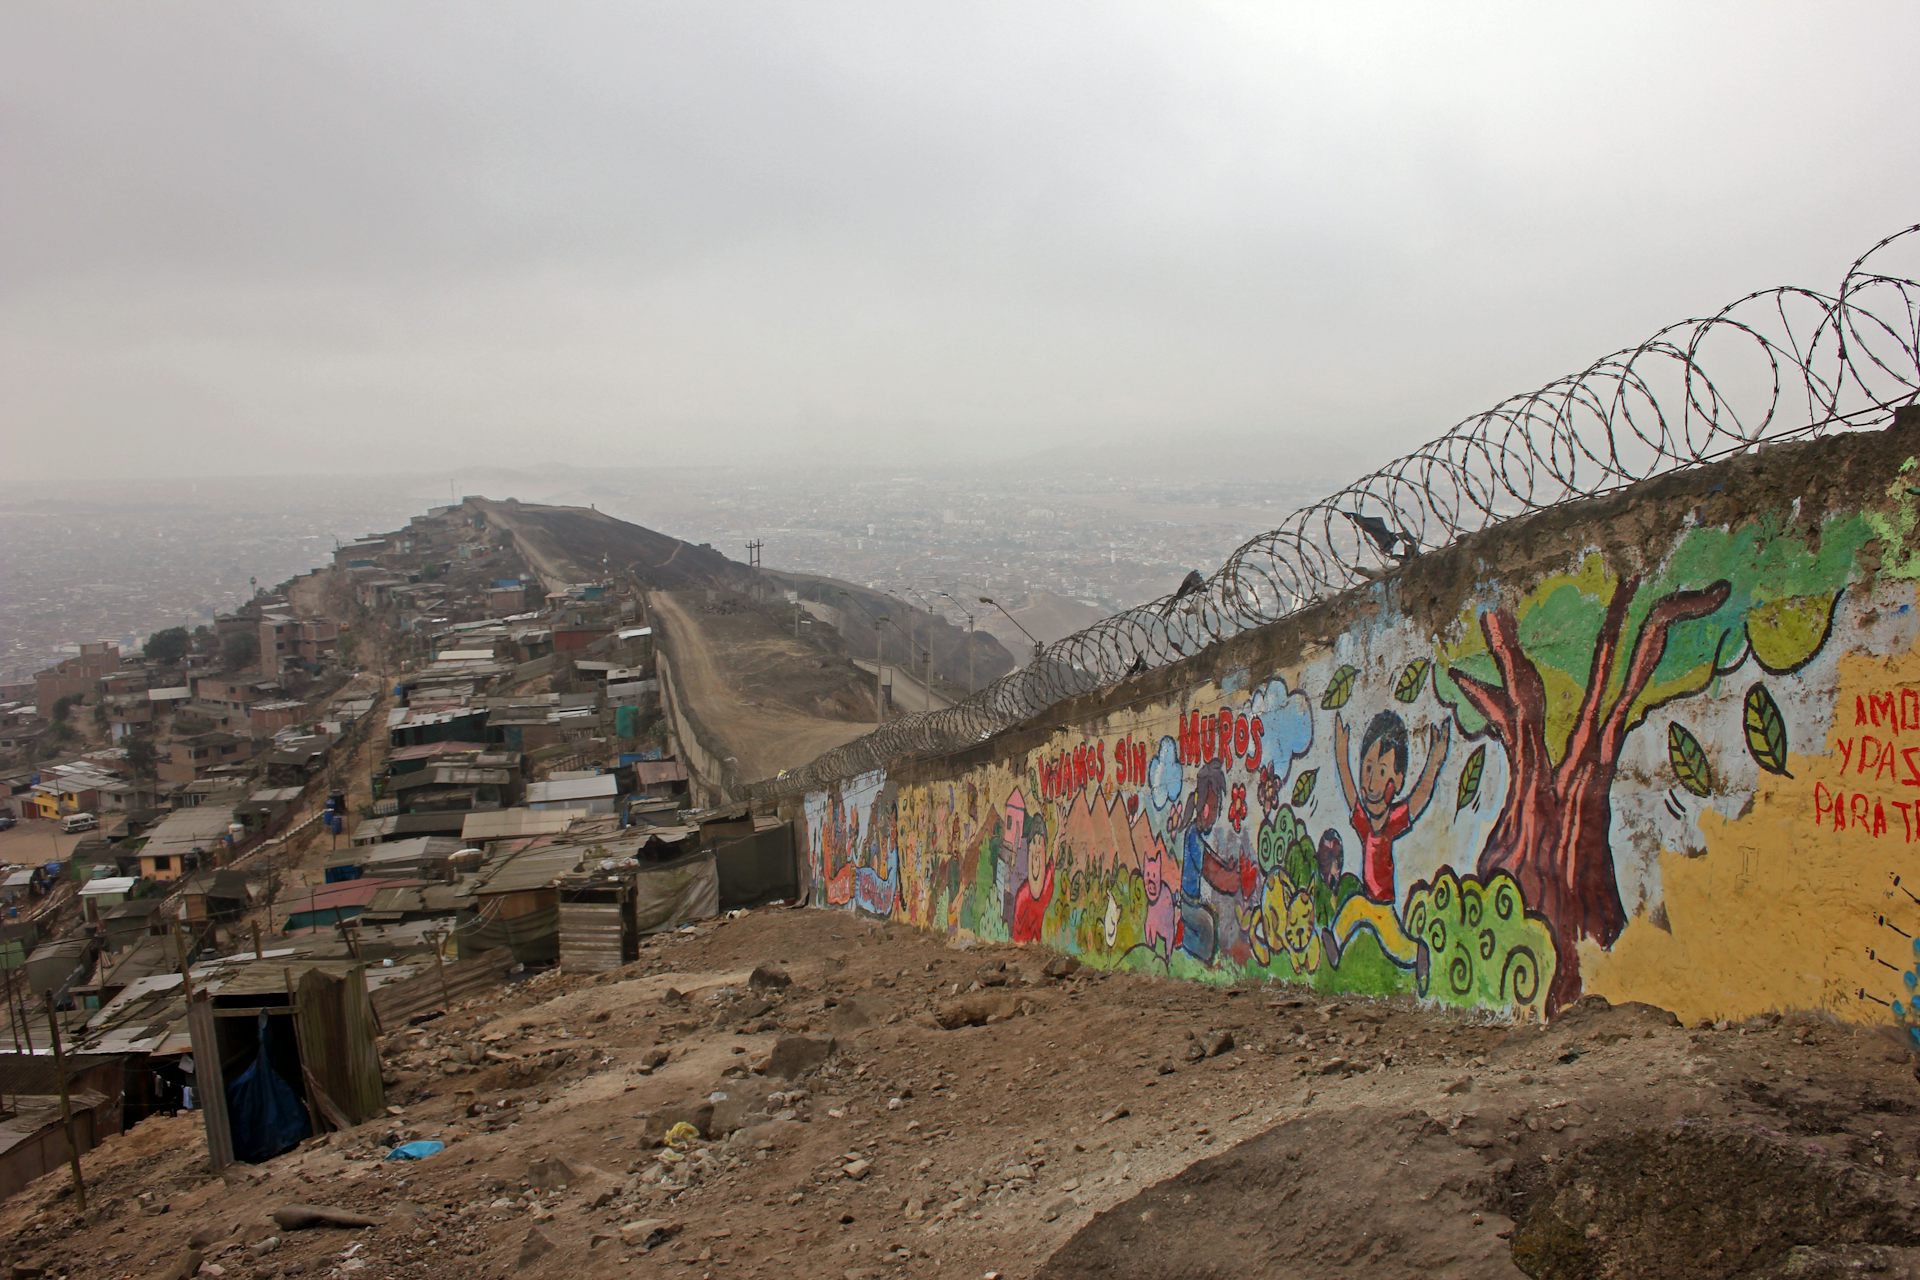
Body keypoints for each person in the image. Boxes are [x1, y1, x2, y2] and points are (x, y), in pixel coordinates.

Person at [1333, 709, 1450, 903]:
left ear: (1399, 780)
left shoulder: (1392, 822)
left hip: (1385, 905)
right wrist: (1341, 755)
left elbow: (1419, 797)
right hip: (1367, 904)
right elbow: (1349, 791)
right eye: (1368, 769)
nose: (1372, 785)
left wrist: (1434, 763)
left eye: (1382, 772)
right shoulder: (1365, 826)